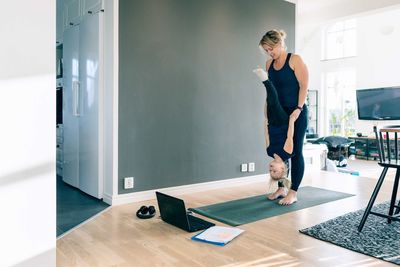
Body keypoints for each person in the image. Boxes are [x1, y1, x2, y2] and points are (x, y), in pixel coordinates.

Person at [258, 29, 309, 205]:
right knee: (280, 152)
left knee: (296, 153)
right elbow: (271, 92)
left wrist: (299, 108)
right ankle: (282, 187)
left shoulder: (294, 59)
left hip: (296, 112)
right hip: (278, 113)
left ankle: (293, 191)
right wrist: (267, 109)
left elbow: (304, 86)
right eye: (266, 50)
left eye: (271, 48)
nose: (269, 52)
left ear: (280, 44)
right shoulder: (268, 65)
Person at [253, 68, 295, 192]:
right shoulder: (287, 153)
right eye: (274, 170)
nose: (271, 168)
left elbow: (266, 135)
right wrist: (291, 120)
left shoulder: (269, 152)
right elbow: (289, 136)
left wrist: (265, 121)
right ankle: (265, 80)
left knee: (270, 101)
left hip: (272, 122)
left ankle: (270, 79)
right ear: (282, 168)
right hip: (282, 122)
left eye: (270, 170)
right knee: (274, 102)